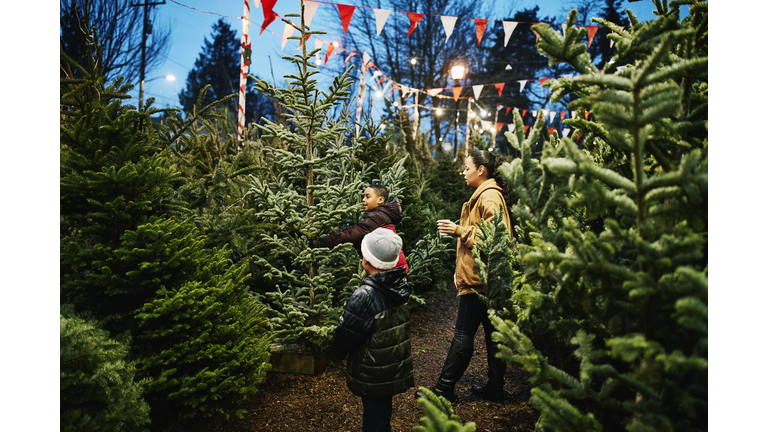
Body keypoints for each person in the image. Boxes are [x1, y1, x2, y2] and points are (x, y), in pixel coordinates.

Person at [415, 150, 514, 403]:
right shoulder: (487, 194)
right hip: (490, 279)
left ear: (481, 170)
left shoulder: (489, 196)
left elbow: (496, 237)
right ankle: (495, 388)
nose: (463, 171)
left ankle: (443, 389)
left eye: (467, 167)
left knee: (463, 334)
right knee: (494, 335)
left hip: (480, 279)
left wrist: (459, 230)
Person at [331, 228, 414, 432]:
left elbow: (347, 333)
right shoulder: (399, 284)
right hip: (391, 367)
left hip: (373, 372)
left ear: (365, 261)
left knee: (373, 421)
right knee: (381, 414)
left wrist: (336, 353)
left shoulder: (365, 296)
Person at [310, 184, 408, 272]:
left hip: (389, 270)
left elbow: (349, 235)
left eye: (368, 197)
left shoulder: (376, 217)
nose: (363, 199)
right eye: (363, 196)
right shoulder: (382, 215)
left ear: (380, 200)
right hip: (395, 268)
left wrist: (319, 243)